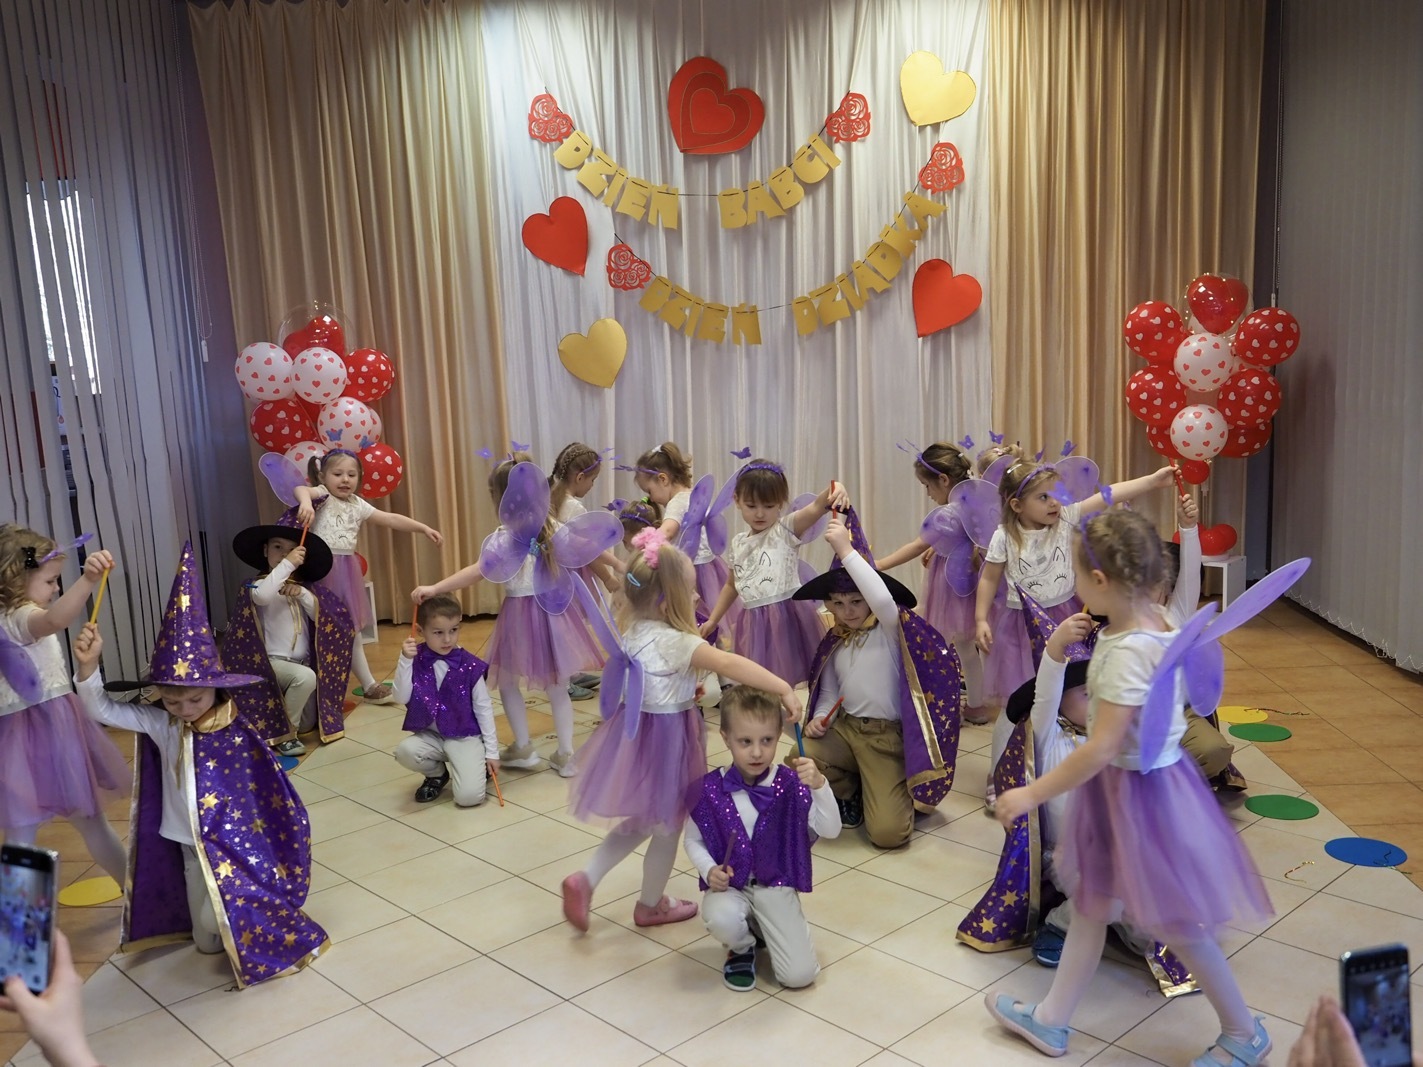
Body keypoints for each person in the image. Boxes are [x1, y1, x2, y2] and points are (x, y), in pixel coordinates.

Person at [986, 509, 1274, 1066]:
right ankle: (1052, 1020)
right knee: (1092, 907)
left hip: (1139, 797)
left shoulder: (1123, 653)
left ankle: (1244, 1032)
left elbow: (1099, 748)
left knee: (1177, 924)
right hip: (1139, 787)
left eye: (1077, 573)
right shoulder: (1156, 618)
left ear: (1099, 580)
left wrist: (1031, 793)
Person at [73, 543, 328, 988]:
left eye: (195, 698)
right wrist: (88, 668)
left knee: (218, 919)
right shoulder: (162, 723)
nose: (186, 708)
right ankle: (226, 925)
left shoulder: (235, 729)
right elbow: (101, 709)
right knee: (207, 942)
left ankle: (258, 921)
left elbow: (262, 789)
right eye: (174, 701)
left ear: (216, 688)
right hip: (186, 844)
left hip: (230, 847)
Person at [560, 530, 804, 932]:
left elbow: (648, 682)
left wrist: (684, 688)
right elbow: (730, 664)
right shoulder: (678, 642)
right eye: (690, 590)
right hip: (669, 742)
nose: (696, 597)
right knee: (669, 827)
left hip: (635, 738)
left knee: (646, 818)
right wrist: (781, 687)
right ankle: (650, 905)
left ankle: (586, 878)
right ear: (665, 602)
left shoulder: (633, 631)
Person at [412, 454, 609, 777]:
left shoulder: (505, 536)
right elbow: (587, 547)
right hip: (553, 615)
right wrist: (618, 567)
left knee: (506, 681)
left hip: (519, 617)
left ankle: (524, 747)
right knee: (557, 685)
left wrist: (435, 587)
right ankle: (565, 754)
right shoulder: (551, 527)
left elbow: (477, 571)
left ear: (500, 497)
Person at [795, 509, 963, 848]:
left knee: (889, 835)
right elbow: (829, 691)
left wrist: (845, 550)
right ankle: (850, 792)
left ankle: (886, 785)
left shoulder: (890, 629)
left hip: (886, 741)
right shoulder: (836, 639)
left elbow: (882, 600)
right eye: (839, 603)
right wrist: (820, 717)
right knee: (801, 756)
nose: (848, 611)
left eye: (857, 601)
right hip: (847, 731)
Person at [974, 462, 1175, 706]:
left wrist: (1152, 481)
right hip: (1021, 622)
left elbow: (1107, 495)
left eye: (1056, 494)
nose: (1054, 503)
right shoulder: (1004, 536)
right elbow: (989, 578)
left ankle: (1065, 719)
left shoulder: (1066, 519)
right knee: (1026, 683)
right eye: (1043, 497)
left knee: (1067, 679)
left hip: (1065, 614)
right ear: (1017, 505)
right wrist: (981, 618)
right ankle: (1029, 724)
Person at [684, 686, 840, 991]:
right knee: (721, 917)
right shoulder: (708, 789)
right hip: (731, 887)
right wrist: (709, 869)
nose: (757, 752)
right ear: (726, 737)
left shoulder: (791, 784)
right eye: (745, 741)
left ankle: (763, 925)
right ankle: (742, 946)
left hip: (775, 885)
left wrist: (820, 786)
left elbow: (831, 829)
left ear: (779, 734)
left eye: (766, 740)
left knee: (799, 977)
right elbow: (693, 840)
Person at [0, 525, 128, 888]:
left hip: (30, 737)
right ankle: (138, 898)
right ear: (17, 579)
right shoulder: (20, 617)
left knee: (23, 836)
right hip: (48, 734)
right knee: (88, 825)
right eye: (51, 580)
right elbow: (55, 620)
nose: (56, 588)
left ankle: (136, 894)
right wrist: (88, 580)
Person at [292, 449, 442, 704]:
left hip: (346, 574)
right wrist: (306, 503)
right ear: (323, 476)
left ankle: (369, 684)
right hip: (321, 571)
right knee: (317, 629)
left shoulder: (357, 504)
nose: (345, 479)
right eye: (337, 474)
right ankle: (315, 688)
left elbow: (391, 518)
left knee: (351, 629)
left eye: (352, 475)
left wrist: (423, 528)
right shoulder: (323, 495)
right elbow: (301, 490)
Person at [701, 462, 846, 686]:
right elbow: (731, 585)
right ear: (737, 500)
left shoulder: (786, 529)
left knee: (794, 678)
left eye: (769, 506)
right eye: (751, 505)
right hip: (754, 625)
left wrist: (838, 488)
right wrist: (713, 619)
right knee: (760, 683)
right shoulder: (738, 543)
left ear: (780, 502)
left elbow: (819, 505)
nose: (760, 513)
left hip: (786, 619)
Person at [874, 441, 988, 722]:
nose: (927, 494)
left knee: (937, 646)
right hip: (970, 583)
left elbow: (916, 546)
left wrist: (878, 565)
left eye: (927, 486)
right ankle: (977, 707)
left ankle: (939, 706)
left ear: (944, 480)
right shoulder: (975, 501)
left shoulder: (946, 514)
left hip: (947, 587)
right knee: (967, 649)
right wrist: (936, 548)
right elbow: (965, 538)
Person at [223, 525, 353, 755]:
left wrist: (301, 594)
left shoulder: (305, 589)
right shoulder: (257, 585)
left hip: (301, 664)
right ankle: (286, 735)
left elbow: (322, 617)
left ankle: (287, 716)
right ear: (265, 550)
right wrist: (288, 564)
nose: (284, 553)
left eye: (292, 549)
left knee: (308, 722)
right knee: (305, 678)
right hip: (270, 664)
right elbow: (262, 597)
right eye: (277, 547)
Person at [392, 594, 498, 806]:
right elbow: (400, 697)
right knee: (405, 751)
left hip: (465, 736)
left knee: (468, 798)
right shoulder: (414, 659)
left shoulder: (470, 665)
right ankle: (437, 774)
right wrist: (405, 661)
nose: (447, 639)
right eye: (438, 632)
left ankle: (476, 763)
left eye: (454, 630)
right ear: (420, 631)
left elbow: (484, 709)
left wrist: (492, 752)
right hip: (432, 736)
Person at [631, 441, 737, 641]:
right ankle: (714, 651)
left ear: (663, 479)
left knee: (692, 619)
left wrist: (646, 547)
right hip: (710, 566)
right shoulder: (692, 495)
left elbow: (668, 530)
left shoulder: (677, 502)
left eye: (649, 491)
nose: (651, 498)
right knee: (707, 621)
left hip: (694, 569)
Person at [548, 441, 614, 697]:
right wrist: (607, 577)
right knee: (567, 627)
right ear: (579, 477)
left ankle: (571, 672)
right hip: (570, 575)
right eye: (593, 480)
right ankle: (564, 681)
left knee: (566, 625)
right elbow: (587, 550)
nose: (592, 485)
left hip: (556, 574)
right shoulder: (574, 507)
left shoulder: (552, 498)